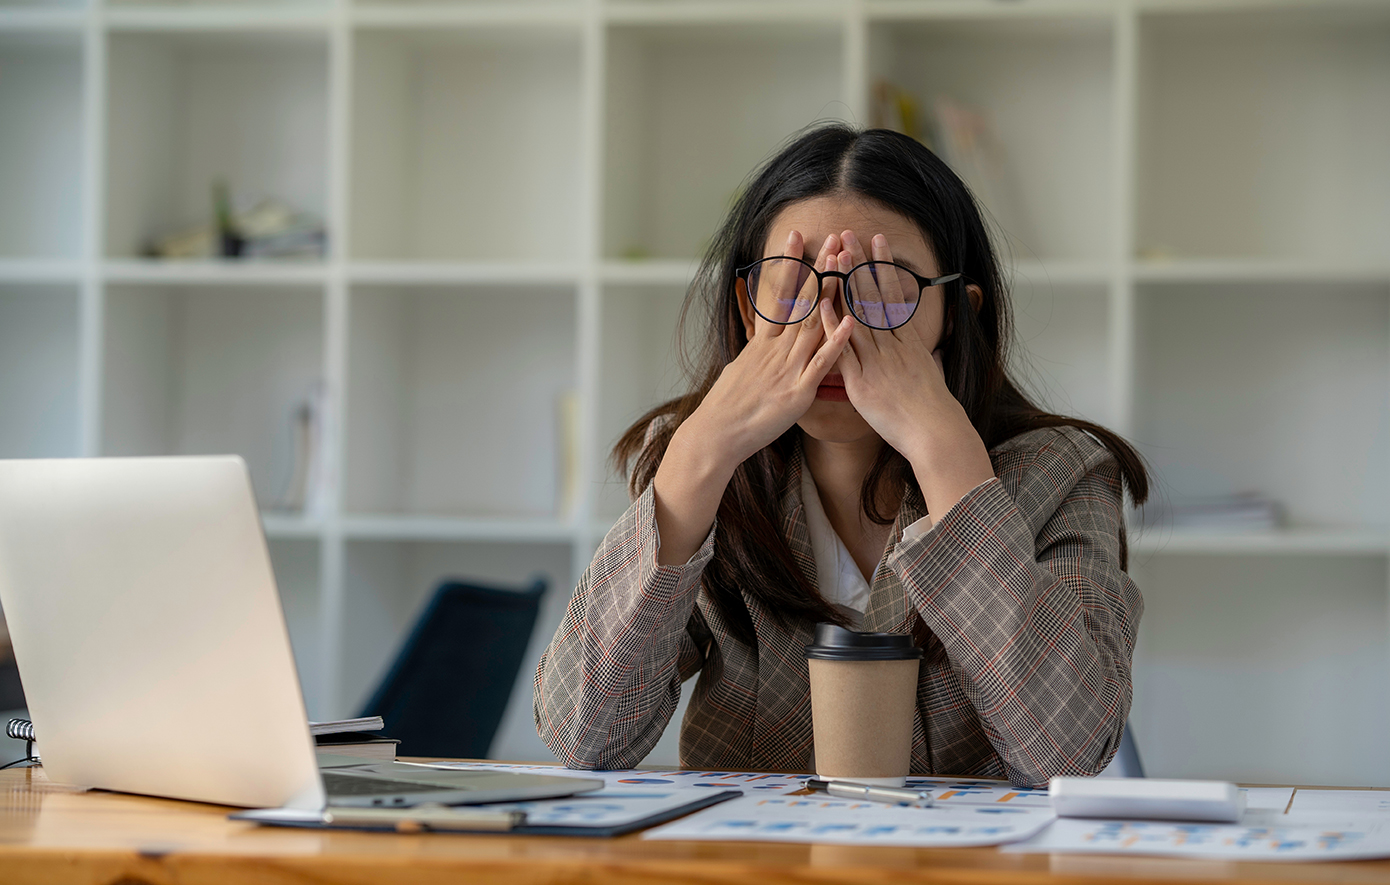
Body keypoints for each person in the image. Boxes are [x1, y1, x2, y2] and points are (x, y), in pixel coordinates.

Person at [534, 125, 1147, 787]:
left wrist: (948, 460)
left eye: (882, 288)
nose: (832, 325)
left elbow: (1067, 753)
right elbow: (582, 736)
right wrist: (699, 453)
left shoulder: (1064, 473)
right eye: (794, 284)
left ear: (957, 315)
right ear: (747, 309)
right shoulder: (706, 470)